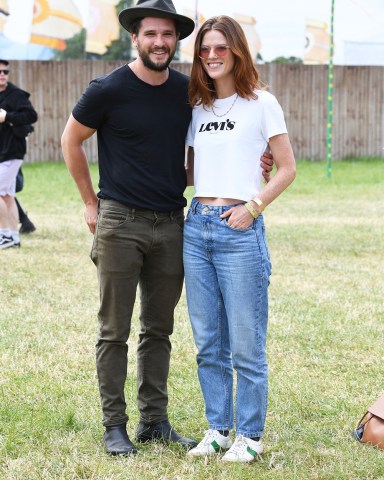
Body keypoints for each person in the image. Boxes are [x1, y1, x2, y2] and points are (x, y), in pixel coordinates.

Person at [61, 0, 273, 457]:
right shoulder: (107, 89)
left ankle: (154, 421)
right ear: (133, 38)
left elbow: (206, 155)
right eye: (150, 34)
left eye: (167, 34)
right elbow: (70, 140)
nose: (159, 42)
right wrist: (88, 202)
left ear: (176, 40)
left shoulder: (188, 93)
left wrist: (253, 162)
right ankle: (114, 426)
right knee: (113, 331)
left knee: (159, 331)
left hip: (175, 224)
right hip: (120, 221)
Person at [183, 16, 296, 463]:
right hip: (196, 226)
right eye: (204, 50)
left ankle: (250, 435)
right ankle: (218, 429)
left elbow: (286, 167)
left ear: (237, 52)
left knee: (246, 342)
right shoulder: (197, 107)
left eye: (219, 49)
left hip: (239, 227)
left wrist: (252, 207)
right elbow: (192, 172)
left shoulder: (262, 103)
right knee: (209, 341)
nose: (211, 56)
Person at [0, 59, 38, 249]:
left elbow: (32, 116)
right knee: (7, 195)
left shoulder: (15, 95)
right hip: (1, 152)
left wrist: (7, 117)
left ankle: (4, 235)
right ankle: (13, 237)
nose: (3, 75)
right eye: (0, 72)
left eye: (5, 71)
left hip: (12, 151)